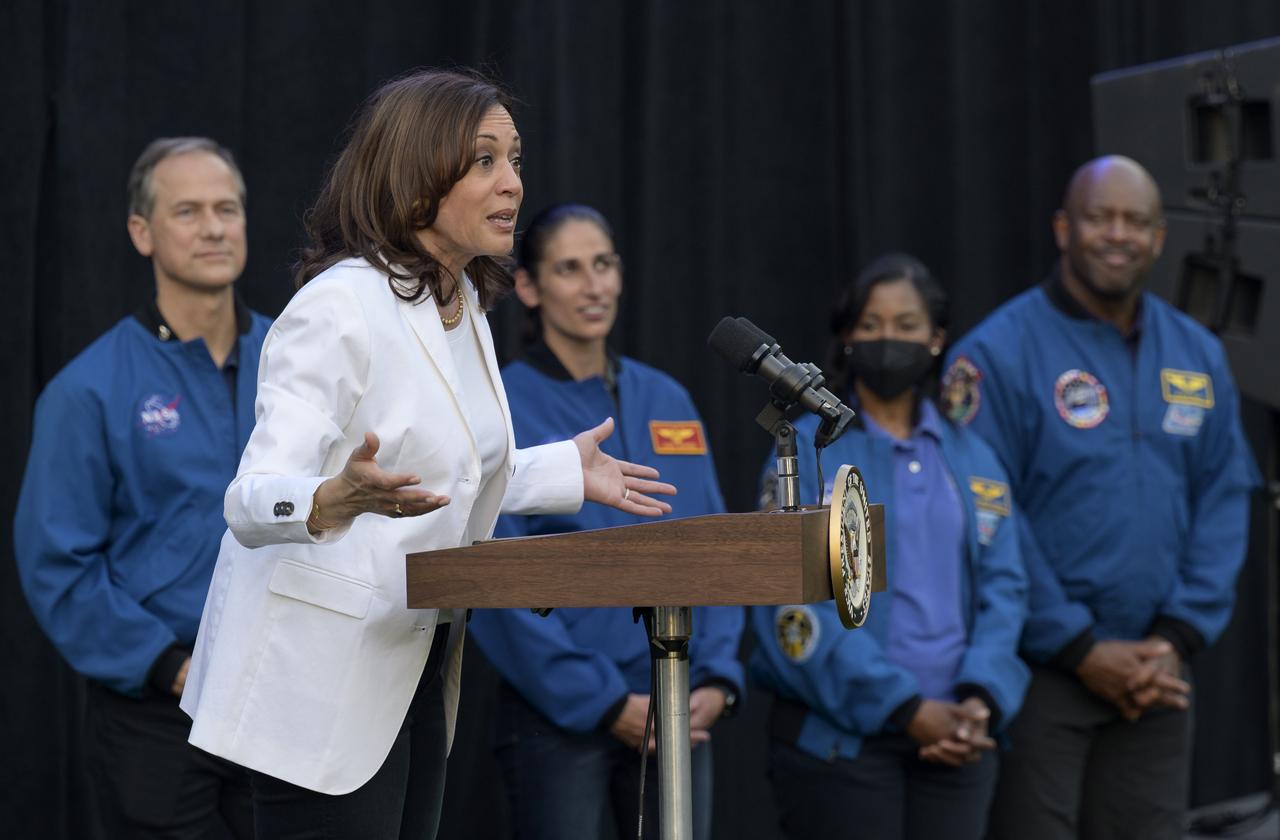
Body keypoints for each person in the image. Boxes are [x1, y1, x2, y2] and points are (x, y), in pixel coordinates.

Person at [177, 70, 676, 840]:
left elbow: (446, 471)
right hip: (316, 686)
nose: (512, 182)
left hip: (415, 663)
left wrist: (563, 471)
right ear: (414, 180)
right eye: (484, 160)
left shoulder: (464, 304)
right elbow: (249, 500)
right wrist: (326, 500)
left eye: (515, 158)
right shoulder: (341, 304)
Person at [943, 155, 1260, 839]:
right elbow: (986, 514)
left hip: (1157, 675)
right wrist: (1080, 645)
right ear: (1064, 229)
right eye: (1099, 217)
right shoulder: (996, 355)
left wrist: (1174, 637)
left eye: (1134, 221)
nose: (1116, 234)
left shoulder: (1196, 354)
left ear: (1159, 238)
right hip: (1041, 674)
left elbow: (1225, 497)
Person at [466, 203, 745, 840]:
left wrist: (719, 677)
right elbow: (494, 575)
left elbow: (721, 545)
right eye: (570, 269)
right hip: (560, 719)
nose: (594, 286)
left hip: (680, 699)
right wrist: (603, 701)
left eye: (604, 264)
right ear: (530, 288)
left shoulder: (667, 397)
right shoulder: (500, 405)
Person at [14, 136, 265, 838]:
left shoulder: (298, 364)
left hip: (285, 705)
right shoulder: (88, 391)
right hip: (159, 717)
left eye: (228, 208)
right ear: (141, 232)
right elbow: (57, 564)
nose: (214, 228)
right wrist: (169, 667)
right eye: (187, 211)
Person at [749, 253, 1028, 840]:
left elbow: (1006, 586)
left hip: (959, 739)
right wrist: (903, 708)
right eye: (871, 325)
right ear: (847, 337)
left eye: (906, 326)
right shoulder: (804, 453)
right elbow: (789, 606)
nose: (888, 339)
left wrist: (981, 697)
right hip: (842, 751)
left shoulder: (972, 454)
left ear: (937, 338)